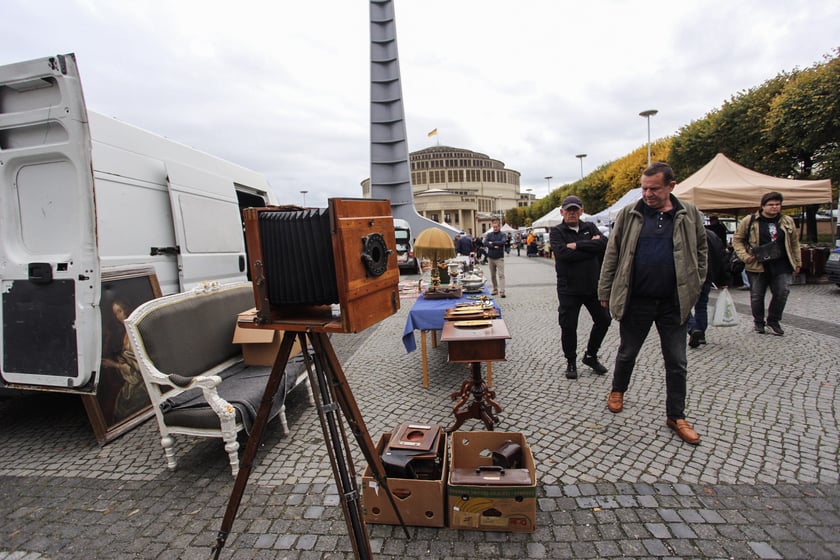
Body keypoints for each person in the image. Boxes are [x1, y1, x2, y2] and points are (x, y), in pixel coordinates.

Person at [598, 162, 707, 445]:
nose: (648, 194)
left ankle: (676, 415)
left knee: (677, 362)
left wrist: (695, 284)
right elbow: (613, 253)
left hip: (674, 302)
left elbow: (701, 251)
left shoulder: (689, 214)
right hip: (637, 301)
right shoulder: (629, 214)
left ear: (671, 186)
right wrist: (605, 290)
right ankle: (617, 389)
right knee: (627, 353)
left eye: (654, 189)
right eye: (644, 188)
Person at [549, 195, 612, 379]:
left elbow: (603, 245)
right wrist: (589, 249)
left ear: (581, 211)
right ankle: (571, 361)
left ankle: (591, 355)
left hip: (592, 287)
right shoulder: (557, 232)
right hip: (568, 289)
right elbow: (562, 255)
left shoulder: (589, 227)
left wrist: (576, 245)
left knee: (604, 320)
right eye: (568, 210)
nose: (572, 213)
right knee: (568, 326)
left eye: (575, 210)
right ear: (562, 212)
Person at [731, 191, 801, 336]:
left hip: (781, 263)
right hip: (757, 263)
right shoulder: (750, 220)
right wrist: (745, 256)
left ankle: (773, 321)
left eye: (777, 204)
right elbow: (737, 239)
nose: (774, 207)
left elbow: (794, 242)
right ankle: (758, 322)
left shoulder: (787, 221)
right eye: (771, 204)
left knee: (782, 291)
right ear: (763, 206)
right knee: (757, 295)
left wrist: (797, 261)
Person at [687, 228, 731, 348]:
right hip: (706, 274)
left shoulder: (686, 232)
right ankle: (700, 333)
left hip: (686, 275)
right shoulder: (712, 235)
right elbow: (722, 257)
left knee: (680, 305)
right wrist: (723, 279)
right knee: (701, 305)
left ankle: (693, 328)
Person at [485, 218, 507, 297]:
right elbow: (485, 243)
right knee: (492, 275)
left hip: (499, 258)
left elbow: (503, 242)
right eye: (494, 227)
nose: (495, 228)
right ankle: (495, 289)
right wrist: (494, 246)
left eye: (496, 227)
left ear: (499, 227)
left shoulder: (503, 235)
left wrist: (492, 243)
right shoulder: (489, 234)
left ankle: (502, 291)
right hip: (491, 258)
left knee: (501, 275)